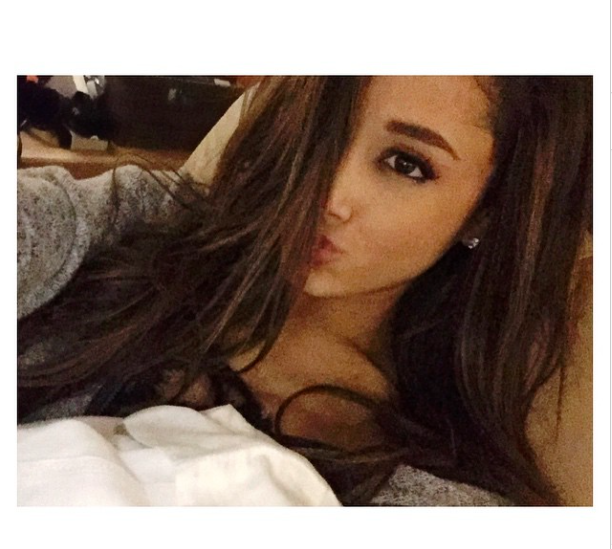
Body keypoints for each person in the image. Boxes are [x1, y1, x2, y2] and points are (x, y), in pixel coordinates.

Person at [17, 76, 592, 506]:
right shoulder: (129, 221)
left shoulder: (441, 500)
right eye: (326, 129)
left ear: (485, 214)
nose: (328, 193)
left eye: (406, 164)